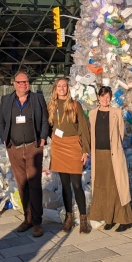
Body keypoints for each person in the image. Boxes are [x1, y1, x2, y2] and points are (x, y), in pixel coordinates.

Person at [0, 71, 49, 237]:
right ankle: (27, 219)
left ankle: (37, 222)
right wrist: (5, 140)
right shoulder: (6, 100)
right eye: (20, 82)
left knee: (34, 184)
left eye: (25, 82)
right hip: (15, 148)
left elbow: (44, 120)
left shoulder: (37, 98)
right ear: (14, 84)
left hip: (33, 147)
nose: (23, 85)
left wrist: (42, 138)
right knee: (22, 184)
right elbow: (0, 121)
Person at [47, 77, 91, 234]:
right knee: (65, 185)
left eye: (64, 86)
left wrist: (85, 150)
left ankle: (84, 219)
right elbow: (47, 125)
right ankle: (69, 217)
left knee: (77, 184)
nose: (62, 88)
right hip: (58, 146)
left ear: (68, 88)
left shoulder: (74, 105)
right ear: (55, 88)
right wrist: (49, 137)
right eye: (59, 86)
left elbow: (84, 129)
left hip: (73, 146)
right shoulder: (51, 106)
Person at [88, 86, 132, 232]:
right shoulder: (92, 114)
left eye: (107, 97)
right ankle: (108, 218)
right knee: (103, 187)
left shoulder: (117, 113)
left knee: (117, 187)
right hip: (99, 155)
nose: (104, 99)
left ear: (111, 97)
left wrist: (115, 148)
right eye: (102, 97)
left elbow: (120, 133)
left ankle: (124, 219)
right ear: (98, 97)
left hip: (113, 154)